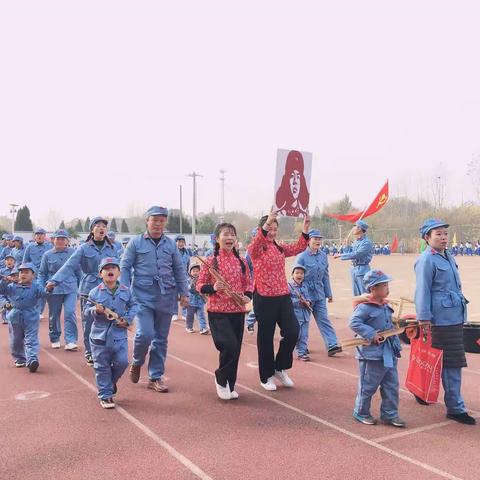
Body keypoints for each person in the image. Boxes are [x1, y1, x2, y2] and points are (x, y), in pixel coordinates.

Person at [120, 206, 188, 393]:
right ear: (147, 221)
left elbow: (179, 269)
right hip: (142, 297)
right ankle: (137, 362)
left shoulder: (170, 244)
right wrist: (124, 291)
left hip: (166, 297)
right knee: (145, 334)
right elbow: (124, 268)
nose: (158, 224)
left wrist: (184, 292)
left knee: (161, 339)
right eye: (154, 220)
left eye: (161, 221)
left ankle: (155, 377)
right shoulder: (136, 243)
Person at [414, 219, 475, 425]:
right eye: (438, 234)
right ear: (427, 238)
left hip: (454, 315)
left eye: (445, 234)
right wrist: (423, 318)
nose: (443, 238)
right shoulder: (426, 260)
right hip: (440, 319)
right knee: (451, 363)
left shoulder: (447, 256)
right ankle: (455, 407)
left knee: (443, 360)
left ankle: (422, 393)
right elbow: (422, 291)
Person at [247, 210, 310, 391]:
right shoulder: (256, 248)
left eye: (275, 228)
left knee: (292, 331)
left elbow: (298, 247)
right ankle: (265, 376)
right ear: (262, 229)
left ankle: (279, 367)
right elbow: (257, 242)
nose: (273, 232)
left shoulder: (279, 247)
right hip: (264, 297)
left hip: (282, 295)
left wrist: (305, 228)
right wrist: (268, 222)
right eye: (270, 228)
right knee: (265, 338)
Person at [46, 217, 118, 365]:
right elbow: (69, 265)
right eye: (97, 225)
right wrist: (54, 280)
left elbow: (121, 268)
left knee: (111, 321)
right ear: (92, 230)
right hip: (89, 289)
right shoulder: (83, 248)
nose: (101, 228)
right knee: (90, 322)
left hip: (109, 289)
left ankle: (109, 351)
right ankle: (90, 351)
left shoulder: (113, 248)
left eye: (104, 226)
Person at [197, 222, 252, 400]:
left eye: (232, 235)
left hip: (237, 310)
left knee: (235, 351)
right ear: (217, 239)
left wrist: (248, 297)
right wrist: (213, 287)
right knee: (229, 345)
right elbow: (199, 285)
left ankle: (230, 383)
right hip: (217, 311)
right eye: (225, 235)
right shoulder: (211, 262)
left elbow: (248, 284)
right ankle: (221, 380)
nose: (229, 238)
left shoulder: (241, 261)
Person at [350, 270, 405, 427]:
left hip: (389, 353)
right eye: (384, 285)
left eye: (387, 284)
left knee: (391, 385)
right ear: (373, 288)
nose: (387, 288)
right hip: (372, 355)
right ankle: (361, 411)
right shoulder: (365, 307)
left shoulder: (385, 305)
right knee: (368, 385)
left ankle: (390, 413)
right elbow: (354, 323)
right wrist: (371, 334)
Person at [84, 257, 138, 409]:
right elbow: (86, 311)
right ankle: (106, 395)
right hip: (99, 336)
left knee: (122, 362)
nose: (110, 270)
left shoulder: (127, 291)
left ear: (119, 272)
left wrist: (126, 320)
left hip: (119, 334)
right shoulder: (94, 292)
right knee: (101, 366)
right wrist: (96, 310)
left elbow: (134, 306)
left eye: (113, 268)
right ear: (100, 273)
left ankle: (110, 382)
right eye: (106, 268)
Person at [296, 229, 341, 356]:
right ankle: (300, 346)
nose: (318, 241)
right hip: (305, 293)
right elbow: (296, 276)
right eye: (315, 239)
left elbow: (325, 275)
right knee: (303, 321)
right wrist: (299, 294)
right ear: (308, 240)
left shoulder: (323, 255)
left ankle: (332, 344)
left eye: (319, 239)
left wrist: (329, 293)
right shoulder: (302, 256)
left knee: (324, 319)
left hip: (319, 292)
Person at [39, 229, 81, 350]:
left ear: (67, 240)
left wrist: (78, 288)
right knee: (54, 315)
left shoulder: (74, 253)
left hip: (70, 287)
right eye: (58, 238)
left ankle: (71, 340)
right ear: (53, 240)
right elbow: (42, 273)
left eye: (63, 238)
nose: (60, 241)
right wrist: (42, 289)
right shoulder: (47, 255)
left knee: (70, 313)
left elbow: (79, 272)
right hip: (54, 289)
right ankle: (55, 337)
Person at [0, 263, 47, 372]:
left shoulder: (36, 287)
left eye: (26, 272)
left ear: (33, 275)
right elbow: (2, 291)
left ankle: (32, 360)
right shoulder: (11, 286)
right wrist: (4, 281)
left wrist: (48, 289)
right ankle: (20, 358)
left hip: (31, 315)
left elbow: (43, 294)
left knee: (31, 338)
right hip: (15, 315)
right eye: (21, 272)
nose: (23, 274)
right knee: (16, 339)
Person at [334, 220, 374, 295]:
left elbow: (356, 254)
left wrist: (340, 255)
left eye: (355, 227)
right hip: (354, 269)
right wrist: (347, 245)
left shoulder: (366, 243)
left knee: (364, 294)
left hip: (362, 270)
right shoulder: (356, 241)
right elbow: (350, 253)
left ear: (359, 229)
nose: (353, 229)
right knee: (356, 294)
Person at [23, 227, 51, 318]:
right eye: (37, 234)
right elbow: (25, 261)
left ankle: (39, 311)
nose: (39, 236)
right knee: (32, 292)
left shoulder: (49, 246)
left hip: (45, 274)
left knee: (43, 292)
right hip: (33, 274)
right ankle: (32, 310)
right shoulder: (30, 247)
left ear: (44, 236)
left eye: (41, 234)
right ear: (35, 236)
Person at [275, 150, 309, 217]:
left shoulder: (303, 215)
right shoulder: (280, 214)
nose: (295, 181)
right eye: (292, 176)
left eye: (298, 177)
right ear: (286, 180)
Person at [288, 265, 312, 361]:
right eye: (297, 273)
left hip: (305, 315)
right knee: (296, 334)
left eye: (301, 273)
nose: (299, 275)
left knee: (304, 335)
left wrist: (308, 302)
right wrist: (298, 302)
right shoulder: (289, 286)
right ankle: (288, 348)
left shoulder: (305, 286)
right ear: (292, 274)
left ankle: (302, 353)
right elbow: (287, 300)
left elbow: (308, 298)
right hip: (295, 315)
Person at [172, 235, 191, 322]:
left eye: (182, 242)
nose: (181, 244)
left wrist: (188, 275)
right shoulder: (173, 252)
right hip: (173, 277)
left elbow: (188, 265)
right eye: (179, 242)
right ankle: (174, 313)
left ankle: (184, 313)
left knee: (184, 294)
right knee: (174, 296)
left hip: (184, 277)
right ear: (175, 243)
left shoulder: (187, 253)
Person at [185, 264, 208, 334]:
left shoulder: (202, 280)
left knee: (201, 315)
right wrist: (193, 284)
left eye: (197, 271)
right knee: (190, 315)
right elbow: (190, 289)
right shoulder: (188, 280)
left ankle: (203, 328)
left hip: (200, 301)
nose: (195, 273)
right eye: (193, 271)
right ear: (190, 272)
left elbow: (204, 290)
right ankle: (189, 327)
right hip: (191, 302)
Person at [0, 254, 16, 324]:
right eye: (7, 260)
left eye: (11, 260)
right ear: (4, 262)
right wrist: (4, 279)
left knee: (11, 304)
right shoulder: (1, 271)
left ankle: (10, 317)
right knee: (4, 303)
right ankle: (5, 318)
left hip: (13, 291)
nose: (9, 262)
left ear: (14, 262)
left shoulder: (17, 271)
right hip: (3, 291)